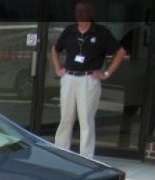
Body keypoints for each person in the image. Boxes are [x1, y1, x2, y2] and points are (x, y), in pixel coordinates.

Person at [50, 0, 126, 158]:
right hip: (69, 78)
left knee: (86, 120)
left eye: (83, 11)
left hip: (88, 80)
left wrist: (107, 73)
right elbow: (55, 49)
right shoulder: (70, 31)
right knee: (66, 118)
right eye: (77, 11)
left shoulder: (101, 32)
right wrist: (58, 68)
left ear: (91, 13)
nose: (79, 14)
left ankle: (86, 157)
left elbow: (120, 52)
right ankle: (60, 153)